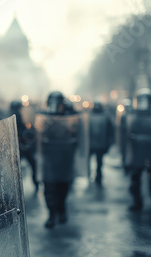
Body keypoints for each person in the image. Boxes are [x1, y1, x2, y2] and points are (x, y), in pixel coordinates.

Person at [37, 91, 80, 228]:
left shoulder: (70, 117)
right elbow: (37, 136)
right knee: (49, 188)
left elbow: (78, 134)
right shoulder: (43, 118)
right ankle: (51, 215)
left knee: (63, 187)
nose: (55, 107)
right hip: (49, 159)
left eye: (58, 104)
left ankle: (61, 210)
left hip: (65, 158)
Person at [125, 89, 151, 212]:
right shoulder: (133, 117)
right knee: (135, 181)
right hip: (137, 153)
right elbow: (127, 136)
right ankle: (138, 202)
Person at [11, 100, 39, 193]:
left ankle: (36, 182)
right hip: (17, 145)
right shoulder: (12, 118)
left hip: (24, 144)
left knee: (32, 163)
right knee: (16, 168)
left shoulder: (23, 116)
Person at [88, 101, 114, 186]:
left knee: (99, 163)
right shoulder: (89, 116)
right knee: (96, 162)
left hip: (99, 143)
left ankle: (98, 176)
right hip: (94, 143)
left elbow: (110, 130)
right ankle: (93, 176)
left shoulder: (104, 116)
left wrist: (109, 142)